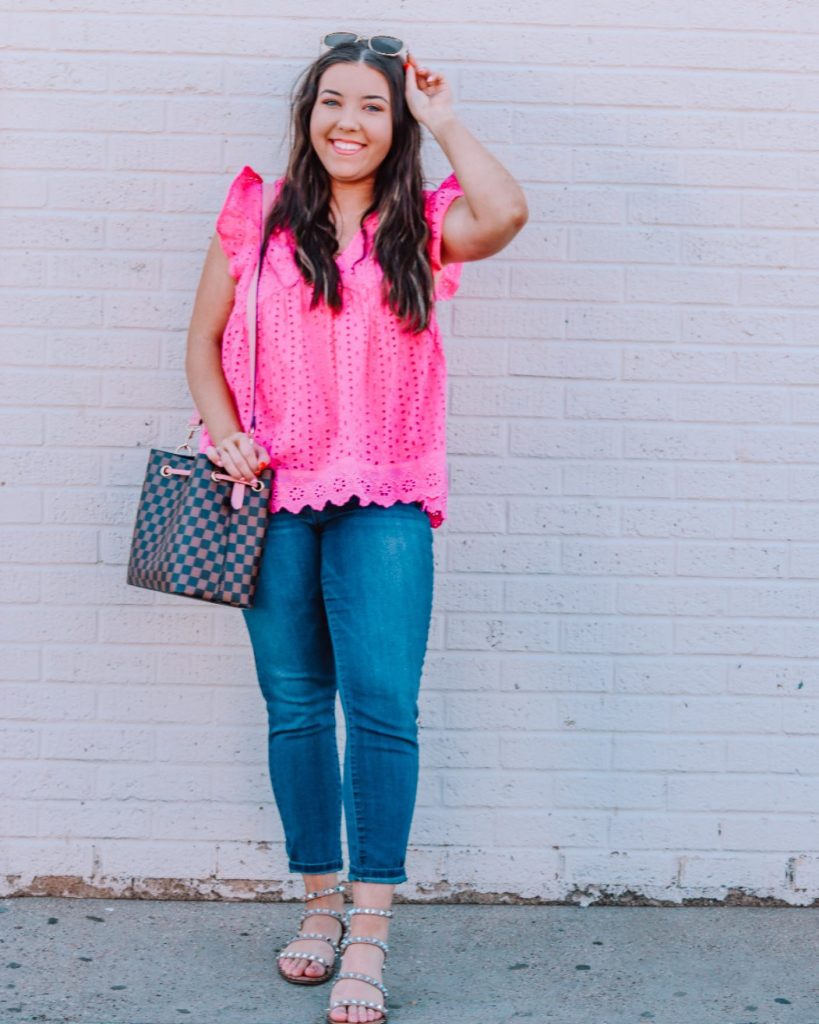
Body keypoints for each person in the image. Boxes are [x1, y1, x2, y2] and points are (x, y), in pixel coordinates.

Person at [184, 31, 527, 1024]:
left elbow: (506, 211)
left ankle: (369, 931)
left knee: (382, 708)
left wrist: (445, 116)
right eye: (334, 101)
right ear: (308, 114)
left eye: (373, 106)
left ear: (395, 123)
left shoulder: (424, 225)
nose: (349, 121)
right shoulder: (256, 215)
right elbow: (203, 343)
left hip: (386, 494)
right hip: (273, 495)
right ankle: (320, 903)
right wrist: (227, 435)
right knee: (294, 706)